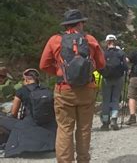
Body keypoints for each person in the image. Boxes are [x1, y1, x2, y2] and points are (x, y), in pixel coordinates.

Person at [39, 9, 105, 163]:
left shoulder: (55, 40)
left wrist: (59, 72)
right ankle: (83, 160)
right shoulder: (90, 39)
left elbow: (43, 65)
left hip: (64, 89)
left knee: (64, 128)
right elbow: (101, 64)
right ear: (80, 23)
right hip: (87, 89)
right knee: (84, 128)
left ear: (66, 25)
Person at [0, 68, 56, 158]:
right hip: (48, 128)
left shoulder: (21, 90)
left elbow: (14, 113)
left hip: (28, 125)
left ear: (26, 79)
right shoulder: (47, 90)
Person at [99, 34, 128, 131]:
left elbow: (99, 66)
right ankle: (114, 120)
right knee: (115, 99)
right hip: (118, 78)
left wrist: (103, 73)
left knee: (106, 100)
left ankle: (105, 123)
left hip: (106, 79)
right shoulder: (120, 53)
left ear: (107, 42)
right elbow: (125, 66)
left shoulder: (103, 53)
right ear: (115, 41)